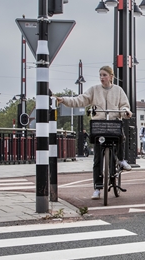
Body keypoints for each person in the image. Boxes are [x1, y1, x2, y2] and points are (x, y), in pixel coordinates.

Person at [57, 66, 132, 199]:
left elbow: (124, 105)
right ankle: (97, 188)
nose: (102, 78)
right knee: (97, 158)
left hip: (113, 123)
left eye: (104, 75)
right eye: (100, 75)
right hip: (99, 125)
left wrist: (126, 111)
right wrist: (64, 100)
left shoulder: (118, 90)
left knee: (121, 137)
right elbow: (80, 100)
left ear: (111, 76)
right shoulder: (94, 90)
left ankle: (121, 160)